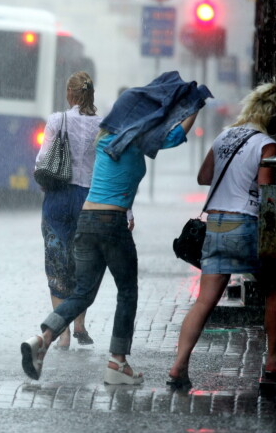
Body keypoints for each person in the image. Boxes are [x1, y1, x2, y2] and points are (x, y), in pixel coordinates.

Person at [22, 71, 211, 384]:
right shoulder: (135, 139)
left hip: (87, 221)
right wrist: (194, 108)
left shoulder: (105, 135)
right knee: (128, 291)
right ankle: (117, 363)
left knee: (83, 292)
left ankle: (42, 340)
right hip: (111, 223)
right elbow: (176, 135)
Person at [168, 83, 276, 388]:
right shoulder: (266, 144)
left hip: (216, 225)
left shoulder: (225, 136)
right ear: (273, 115)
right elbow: (266, 193)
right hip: (245, 225)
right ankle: (272, 366)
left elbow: (203, 177)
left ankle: (179, 366)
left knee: (204, 301)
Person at [36, 71, 104, 350]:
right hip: (89, 198)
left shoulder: (56, 120)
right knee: (84, 262)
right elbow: (107, 168)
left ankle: (61, 331)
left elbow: (41, 159)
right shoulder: (103, 125)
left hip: (58, 195)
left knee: (56, 261)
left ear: (70, 94)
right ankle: (79, 324)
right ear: (90, 94)